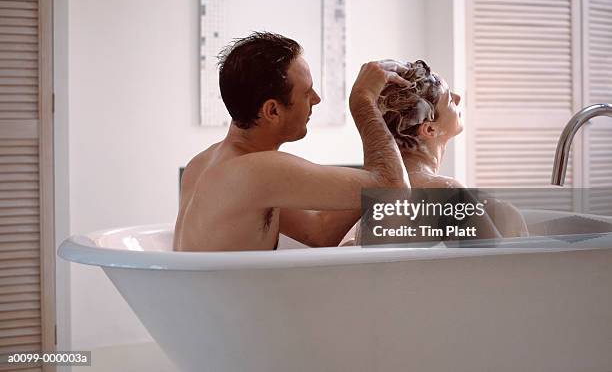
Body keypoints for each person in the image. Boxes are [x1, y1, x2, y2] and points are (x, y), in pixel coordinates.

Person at [173, 32, 411, 251]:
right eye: (307, 93)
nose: (316, 100)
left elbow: (319, 232)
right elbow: (394, 189)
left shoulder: (202, 164)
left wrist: (389, 143)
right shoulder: (259, 171)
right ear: (272, 111)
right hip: (229, 298)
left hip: (199, 298)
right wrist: (363, 103)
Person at [342, 59, 529, 246]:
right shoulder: (444, 192)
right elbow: (502, 268)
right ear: (429, 129)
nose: (458, 98)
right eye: (448, 99)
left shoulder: (373, 197)